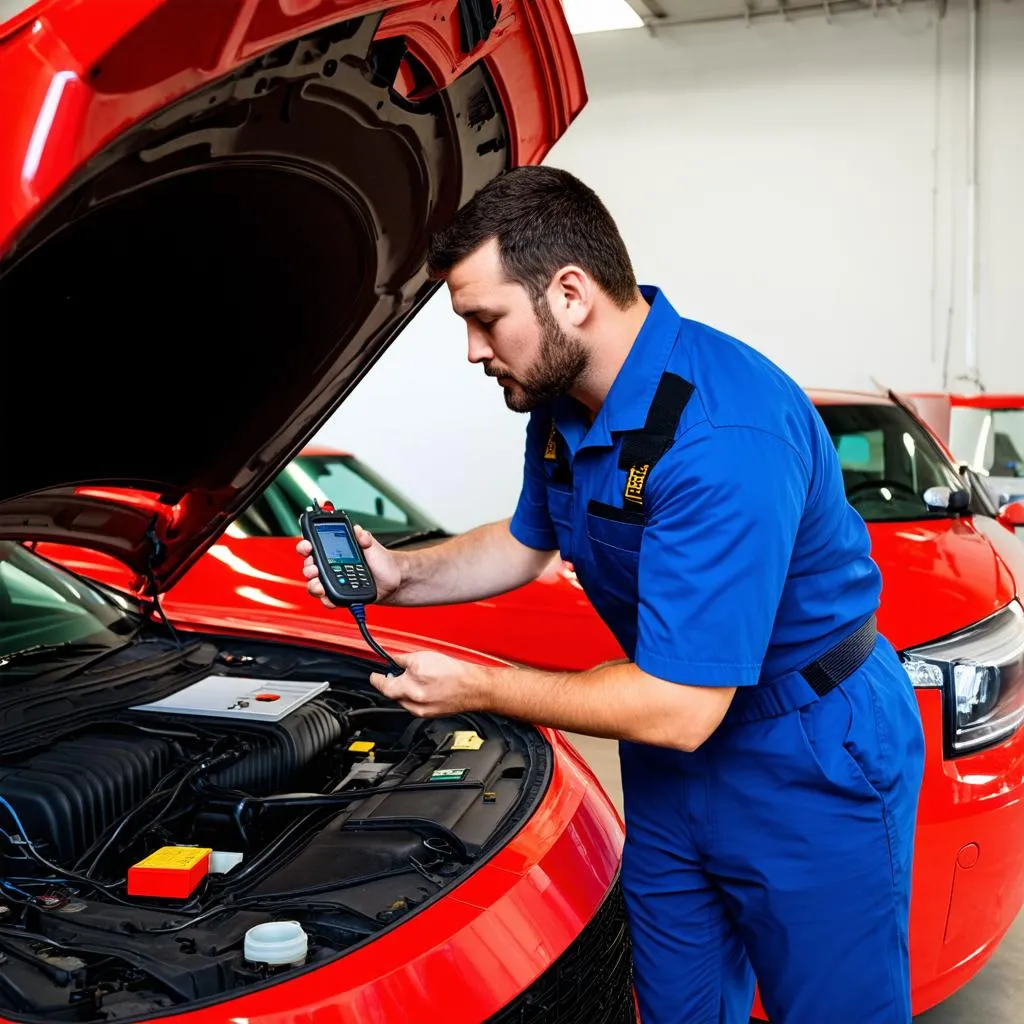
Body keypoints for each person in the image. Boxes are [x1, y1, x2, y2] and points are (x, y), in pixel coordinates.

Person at [297, 166, 926, 1024]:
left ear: (570, 293)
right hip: (673, 765)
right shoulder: (562, 404)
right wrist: (399, 575)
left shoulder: (720, 436)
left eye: (486, 320)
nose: (475, 351)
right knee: (675, 1009)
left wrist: (477, 686)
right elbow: (525, 544)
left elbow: (679, 705)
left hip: (807, 754)